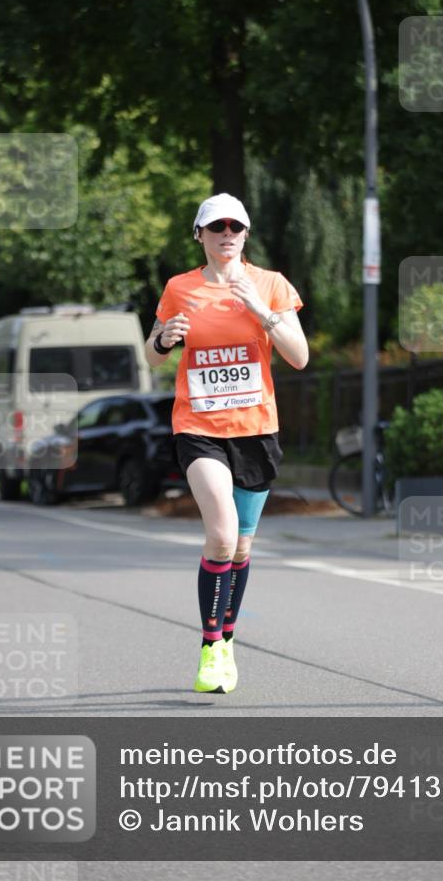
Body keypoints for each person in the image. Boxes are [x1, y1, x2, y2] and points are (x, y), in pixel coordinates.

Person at [145, 193, 308, 693]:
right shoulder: (179, 288)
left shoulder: (272, 285)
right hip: (198, 429)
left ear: (245, 235)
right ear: (200, 234)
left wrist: (259, 308)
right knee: (220, 534)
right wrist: (163, 339)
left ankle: (228, 639)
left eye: (236, 227)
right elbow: (152, 357)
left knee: (240, 544)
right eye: (216, 226)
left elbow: (299, 357)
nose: (227, 234)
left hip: (256, 429)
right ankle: (211, 646)